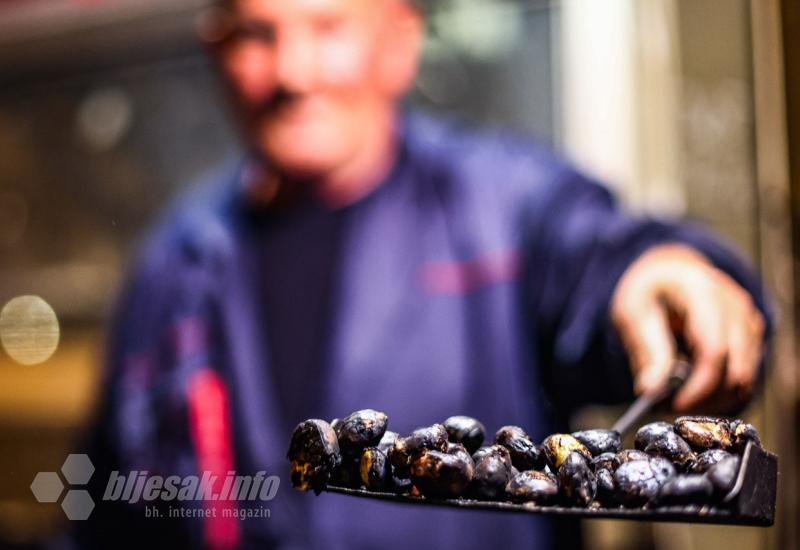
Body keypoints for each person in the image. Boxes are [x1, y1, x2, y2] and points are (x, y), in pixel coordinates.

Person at [77, 0, 771, 549]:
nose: (292, 71)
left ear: (400, 40)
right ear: (217, 48)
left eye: (329, 26)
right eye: (259, 33)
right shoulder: (171, 268)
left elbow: (593, 253)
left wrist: (657, 273)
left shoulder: (498, 205)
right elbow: (106, 512)